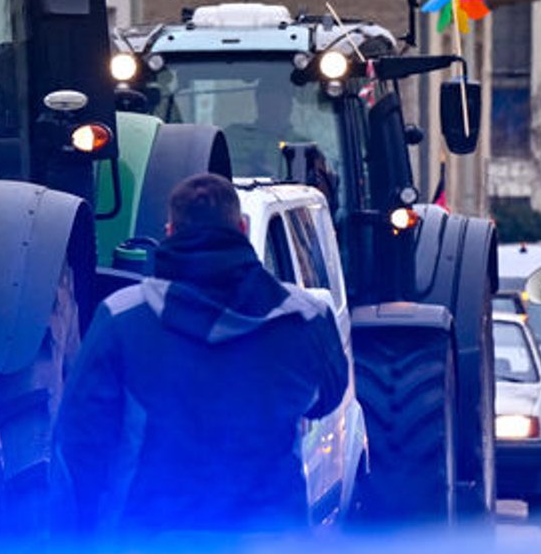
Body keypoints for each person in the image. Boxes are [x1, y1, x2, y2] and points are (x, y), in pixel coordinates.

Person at [55, 173, 350, 534]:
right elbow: (326, 400)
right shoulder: (305, 316)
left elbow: (80, 441)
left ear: (169, 232)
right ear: (241, 228)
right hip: (271, 545)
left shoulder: (121, 318)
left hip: (154, 549)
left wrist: (83, 539)